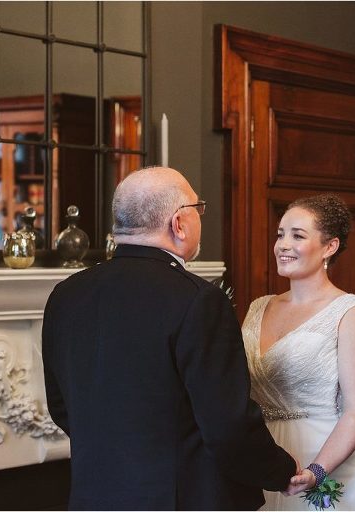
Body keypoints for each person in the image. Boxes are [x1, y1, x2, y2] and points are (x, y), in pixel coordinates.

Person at [42, 166, 299, 510]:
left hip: (94, 497)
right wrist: (280, 472)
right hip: (183, 499)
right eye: (198, 209)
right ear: (179, 223)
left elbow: (61, 406)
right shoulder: (198, 299)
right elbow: (226, 425)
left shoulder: (65, 295)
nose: (200, 219)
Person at [241, 194, 355, 510]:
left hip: (324, 460)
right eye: (280, 234)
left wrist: (316, 471)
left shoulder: (350, 314)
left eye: (297, 235)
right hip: (263, 459)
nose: (283, 244)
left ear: (329, 246)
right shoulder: (258, 308)